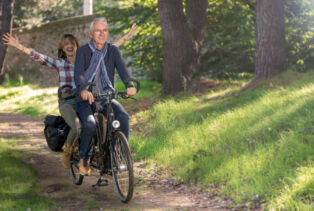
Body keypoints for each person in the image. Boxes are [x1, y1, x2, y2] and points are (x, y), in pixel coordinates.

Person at [2, 23, 137, 169]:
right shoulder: (59, 63)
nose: (70, 46)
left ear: (77, 46)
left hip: (86, 100)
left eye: (72, 43)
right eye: (66, 44)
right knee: (78, 127)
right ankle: (67, 151)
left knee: (99, 122)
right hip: (67, 102)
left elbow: (108, 48)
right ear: (62, 48)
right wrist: (19, 46)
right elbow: (38, 56)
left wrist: (127, 37)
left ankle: (100, 153)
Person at [74, 17, 137, 176]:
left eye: (105, 30)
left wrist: (129, 85)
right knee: (89, 124)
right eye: (97, 30)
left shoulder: (112, 50)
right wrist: (83, 89)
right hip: (86, 97)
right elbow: (79, 74)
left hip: (105, 96)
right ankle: (84, 158)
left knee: (123, 117)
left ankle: (117, 155)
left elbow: (122, 69)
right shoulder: (83, 51)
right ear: (90, 33)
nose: (102, 34)